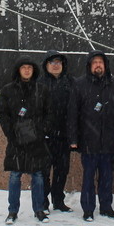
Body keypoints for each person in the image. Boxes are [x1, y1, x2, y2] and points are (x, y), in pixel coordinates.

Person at [68, 50, 114, 221]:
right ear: (89, 65)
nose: (98, 65)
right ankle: (88, 209)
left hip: (109, 140)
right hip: (88, 140)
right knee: (88, 177)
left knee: (107, 177)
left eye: (100, 62)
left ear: (105, 65)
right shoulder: (80, 84)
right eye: (94, 62)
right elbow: (73, 113)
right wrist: (73, 138)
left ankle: (106, 207)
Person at [0, 56, 52, 225]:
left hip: (36, 141)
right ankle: (12, 211)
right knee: (15, 176)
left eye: (30, 67)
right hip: (16, 141)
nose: (27, 70)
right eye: (23, 67)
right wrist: (11, 134)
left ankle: (39, 209)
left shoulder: (41, 89)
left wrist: (40, 131)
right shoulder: (8, 90)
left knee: (38, 176)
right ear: (18, 70)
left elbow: (49, 113)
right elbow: (2, 114)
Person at [38, 50, 74, 213]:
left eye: (58, 62)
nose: (55, 65)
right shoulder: (39, 84)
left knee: (62, 170)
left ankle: (58, 201)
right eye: (52, 63)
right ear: (46, 65)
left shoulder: (70, 83)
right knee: (44, 171)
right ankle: (43, 202)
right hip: (45, 136)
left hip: (64, 136)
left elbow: (76, 109)